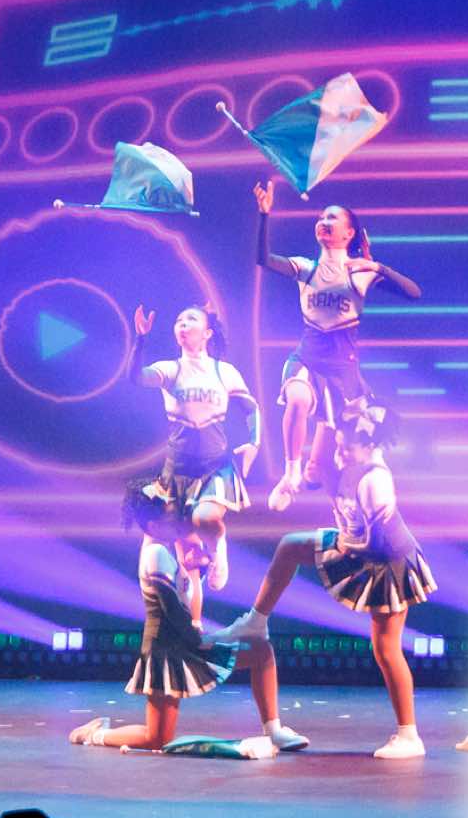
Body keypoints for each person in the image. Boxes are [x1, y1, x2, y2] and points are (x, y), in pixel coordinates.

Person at [216, 408, 435, 759]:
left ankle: (409, 735)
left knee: (385, 648)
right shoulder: (346, 461)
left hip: (386, 560)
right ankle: (255, 622)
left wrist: (344, 544)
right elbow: (322, 458)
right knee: (290, 546)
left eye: (346, 448)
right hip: (353, 542)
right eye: (338, 446)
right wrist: (311, 468)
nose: (340, 453)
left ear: (370, 446)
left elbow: (376, 543)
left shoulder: (375, 482)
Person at [68, 484, 300, 753]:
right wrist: (199, 641)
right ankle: (94, 735)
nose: (178, 522)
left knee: (260, 651)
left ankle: (273, 731)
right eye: (171, 518)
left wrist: (194, 569)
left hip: (180, 643)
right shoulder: (155, 554)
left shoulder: (165, 551)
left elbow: (181, 599)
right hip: (167, 651)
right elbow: (172, 610)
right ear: (154, 526)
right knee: (156, 739)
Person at [252, 181, 421, 511]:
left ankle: (352, 513)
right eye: (321, 217)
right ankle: (290, 474)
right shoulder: (306, 268)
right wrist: (264, 214)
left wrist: (378, 267)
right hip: (307, 358)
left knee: (323, 467)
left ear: (349, 233)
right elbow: (263, 259)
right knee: (297, 399)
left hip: (343, 374)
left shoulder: (359, 273)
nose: (323, 221)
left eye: (332, 217)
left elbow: (414, 293)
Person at [131, 303, 256, 592]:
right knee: (160, 545)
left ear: (207, 333)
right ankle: (171, 607)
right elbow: (136, 377)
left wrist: (254, 442)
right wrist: (141, 338)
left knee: (204, 519)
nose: (183, 324)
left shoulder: (224, 371)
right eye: (179, 320)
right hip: (176, 470)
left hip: (215, 467)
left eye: (191, 319)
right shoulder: (170, 369)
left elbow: (251, 409)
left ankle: (219, 550)